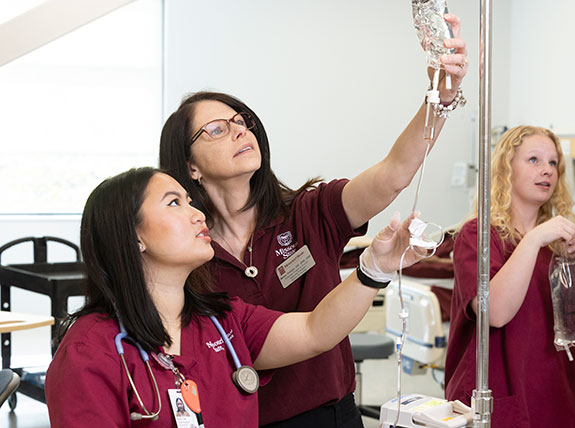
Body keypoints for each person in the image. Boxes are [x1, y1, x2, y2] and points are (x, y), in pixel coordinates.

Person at [158, 14, 468, 427]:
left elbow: (394, 173)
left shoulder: (309, 211)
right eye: (216, 129)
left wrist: (439, 97)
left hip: (330, 415)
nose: (238, 132)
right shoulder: (188, 251)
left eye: (241, 121)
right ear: (190, 166)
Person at [45, 168, 424, 427]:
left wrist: (375, 268)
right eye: (174, 203)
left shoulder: (222, 320)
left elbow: (314, 331)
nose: (198, 216)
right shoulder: (91, 350)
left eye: (191, 203)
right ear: (133, 237)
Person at [444, 126, 575, 426]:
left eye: (553, 163)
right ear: (506, 169)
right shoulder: (478, 236)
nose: (547, 170)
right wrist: (533, 240)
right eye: (534, 160)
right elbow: (495, 313)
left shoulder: (560, 244)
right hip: (497, 399)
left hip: (555, 397)